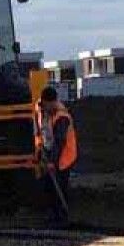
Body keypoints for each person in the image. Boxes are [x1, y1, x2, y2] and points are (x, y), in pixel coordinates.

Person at [34, 85, 78, 226]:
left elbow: (59, 142)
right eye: (48, 104)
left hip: (64, 156)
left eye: (52, 104)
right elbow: (40, 132)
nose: (50, 107)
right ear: (44, 102)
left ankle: (62, 216)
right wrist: (41, 152)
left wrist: (53, 162)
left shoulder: (62, 117)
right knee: (48, 186)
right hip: (48, 152)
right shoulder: (39, 109)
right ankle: (53, 215)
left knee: (60, 185)